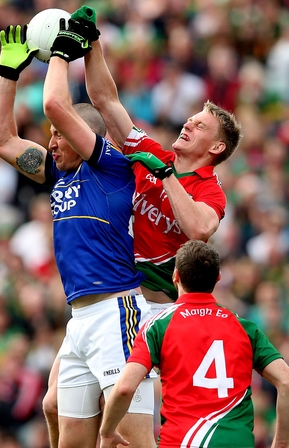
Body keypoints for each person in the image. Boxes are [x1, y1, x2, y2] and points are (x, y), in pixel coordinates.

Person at [0, 23, 155, 448]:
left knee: (133, 441)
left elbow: (55, 104)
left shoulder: (112, 167)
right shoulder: (58, 173)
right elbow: (0, 139)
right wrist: (8, 75)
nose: (51, 139)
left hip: (118, 313)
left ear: (88, 137)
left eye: (60, 134)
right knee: (65, 430)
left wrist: (61, 53)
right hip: (79, 320)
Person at [72, 6, 243, 310]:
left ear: (216, 148)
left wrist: (166, 176)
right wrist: (92, 44)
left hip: (160, 310)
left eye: (199, 125)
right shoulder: (152, 152)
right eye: (190, 119)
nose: (187, 123)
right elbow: (106, 102)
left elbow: (199, 229)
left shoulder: (210, 191)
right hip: (118, 298)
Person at [99, 240, 289, 448]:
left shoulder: (158, 326)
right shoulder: (245, 327)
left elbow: (124, 388)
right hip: (235, 442)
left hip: (181, 442)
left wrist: (107, 431)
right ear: (218, 278)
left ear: (175, 276)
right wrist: (281, 444)